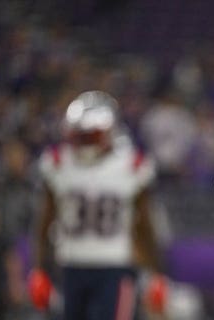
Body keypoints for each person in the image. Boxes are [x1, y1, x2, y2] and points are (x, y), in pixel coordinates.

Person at [30, 90, 166, 320]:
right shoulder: (58, 163)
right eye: (80, 135)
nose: (85, 142)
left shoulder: (131, 165)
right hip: (70, 264)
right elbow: (45, 220)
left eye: (91, 135)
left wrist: (156, 273)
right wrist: (39, 269)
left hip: (114, 265)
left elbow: (144, 226)